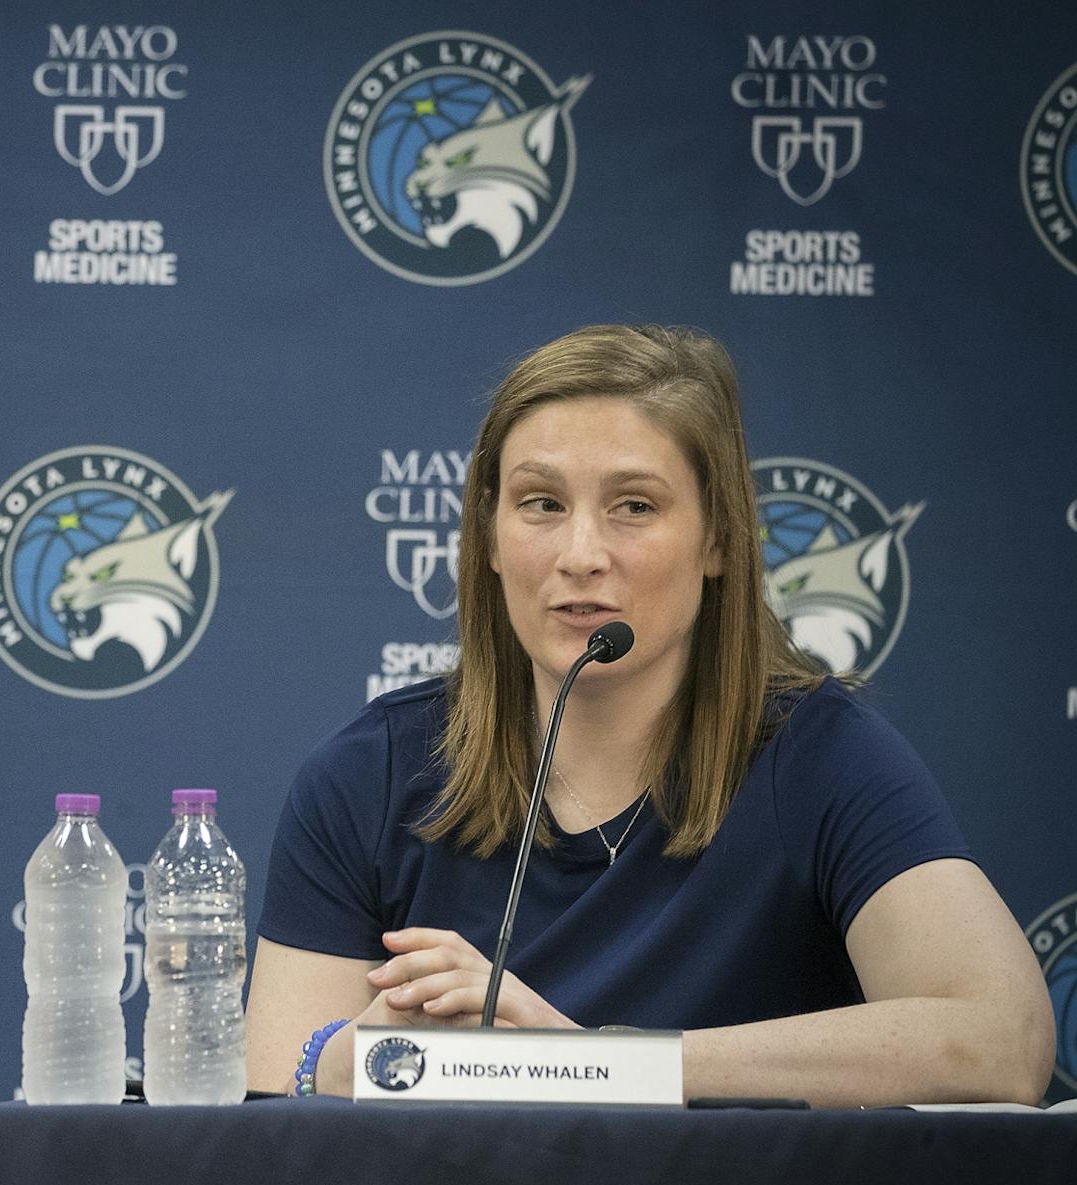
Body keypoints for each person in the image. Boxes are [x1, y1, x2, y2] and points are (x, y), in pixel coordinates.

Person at [245, 324, 1053, 1106]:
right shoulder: (373, 772)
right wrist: (357, 1061)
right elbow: (272, 1096)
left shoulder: (820, 757)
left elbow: (1002, 1040)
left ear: (719, 543)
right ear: (487, 538)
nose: (580, 554)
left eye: (634, 505)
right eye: (540, 503)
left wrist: (592, 1063)